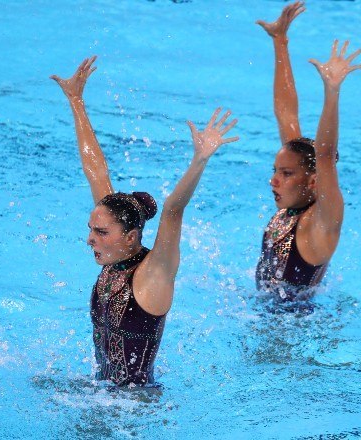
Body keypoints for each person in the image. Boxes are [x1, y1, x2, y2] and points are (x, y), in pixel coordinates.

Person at [51, 56, 238, 386]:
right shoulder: (115, 252)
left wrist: (200, 160)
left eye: (101, 232)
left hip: (136, 411)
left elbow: (173, 210)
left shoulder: (154, 272)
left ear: (131, 236)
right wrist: (76, 102)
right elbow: (96, 170)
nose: (90, 239)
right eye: (90, 229)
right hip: (99, 392)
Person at [255, 1, 361, 299]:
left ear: (313, 180)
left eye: (286, 173)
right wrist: (280, 40)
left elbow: (326, 156)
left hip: (291, 335)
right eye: (275, 171)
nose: (273, 180)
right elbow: (286, 113)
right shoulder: (296, 199)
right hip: (264, 315)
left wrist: (332, 91)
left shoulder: (323, 220)